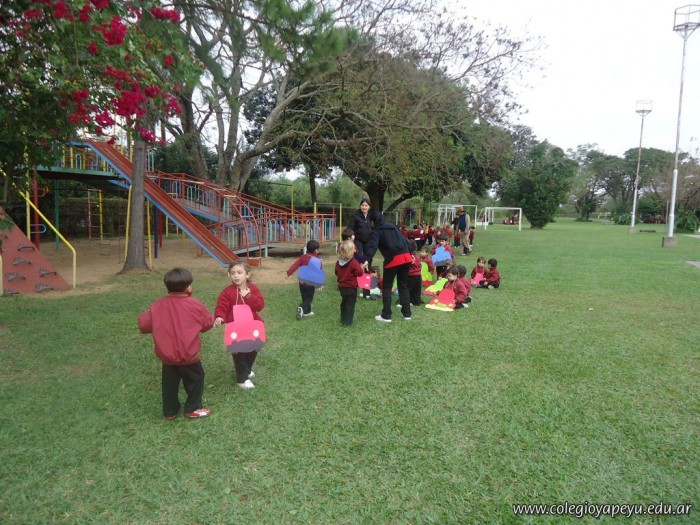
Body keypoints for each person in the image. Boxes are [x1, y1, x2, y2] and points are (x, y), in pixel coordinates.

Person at [138, 268, 214, 420]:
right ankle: (193, 408)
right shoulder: (195, 304)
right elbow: (207, 323)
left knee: (169, 384)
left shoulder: (157, 305)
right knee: (196, 380)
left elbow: (144, 326)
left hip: (167, 357)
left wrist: (149, 313)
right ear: (188, 287)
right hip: (189, 356)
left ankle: (170, 411)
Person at [214, 260, 266, 389]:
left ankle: (246, 369)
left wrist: (249, 296)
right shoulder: (227, 292)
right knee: (238, 352)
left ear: (247, 274)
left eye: (239, 272)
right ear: (229, 275)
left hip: (252, 327)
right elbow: (222, 306)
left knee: (253, 349)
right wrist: (219, 316)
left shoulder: (253, 289)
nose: (236, 275)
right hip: (235, 329)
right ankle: (242, 379)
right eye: (233, 273)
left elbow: (260, 306)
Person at [365, 216, 413, 322]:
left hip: (393, 260)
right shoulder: (393, 226)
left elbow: (373, 246)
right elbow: (404, 240)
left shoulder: (377, 231)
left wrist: (367, 259)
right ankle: (407, 314)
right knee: (403, 286)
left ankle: (386, 315)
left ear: (373, 222)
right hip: (406, 257)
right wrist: (411, 252)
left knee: (387, 287)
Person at [285, 239, 322, 319]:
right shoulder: (317, 260)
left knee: (304, 297)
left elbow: (295, 265)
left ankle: (307, 312)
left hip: (301, 282)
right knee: (309, 299)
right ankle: (301, 307)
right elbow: (319, 272)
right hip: (310, 283)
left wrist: (288, 273)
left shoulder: (302, 257)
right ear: (316, 251)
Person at [335, 239, 365, 326]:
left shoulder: (338, 262)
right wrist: (362, 268)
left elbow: (336, 272)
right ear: (351, 251)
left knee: (344, 302)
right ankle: (347, 322)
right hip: (351, 287)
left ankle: (343, 318)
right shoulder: (354, 262)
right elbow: (360, 273)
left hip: (341, 287)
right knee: (350, 304)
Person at [346, 198, 378, 266]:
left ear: (369, 207)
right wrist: (350, 237)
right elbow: (350, 228)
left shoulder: (371, 215)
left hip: (368, 240)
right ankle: (358, 270)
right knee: (359, 256)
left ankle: (368, 270)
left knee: (368, 257)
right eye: (362, 205)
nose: (364, 207)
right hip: (358, 240)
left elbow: (379, 222)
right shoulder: (355, 215)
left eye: (366, 205)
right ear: (360, 206)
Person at [406, 239, 424, 306]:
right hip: (418, 275)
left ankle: (406, 302)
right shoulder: (416, 256)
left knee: (407, 289)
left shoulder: (410, 256)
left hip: (411, 276)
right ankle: (417, 302)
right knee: (417, 290)